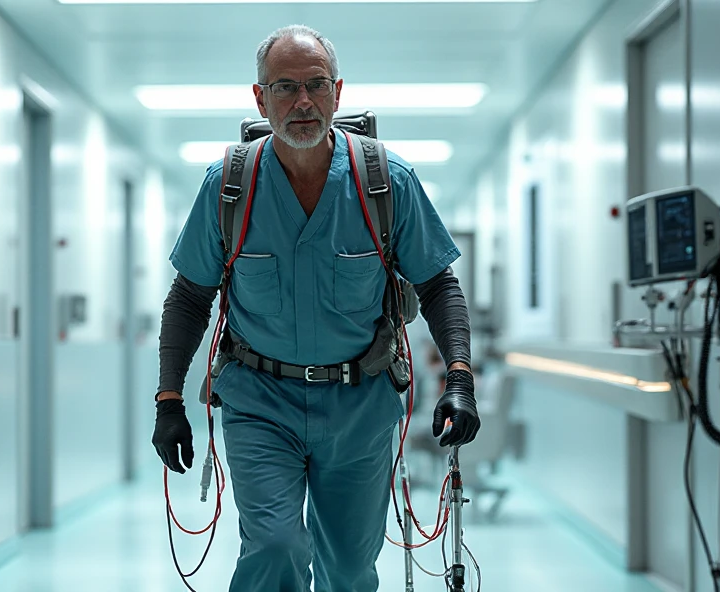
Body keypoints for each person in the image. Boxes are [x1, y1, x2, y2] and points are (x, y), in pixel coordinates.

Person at [151, 24, 481, 592]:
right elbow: (188, 298)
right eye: (284, 88)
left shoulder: (385, 182)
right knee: (275, 548)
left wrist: (459, 377)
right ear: (260, 98)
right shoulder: (229, 185)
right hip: (260, 402)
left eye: (315, 85)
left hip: (361, 405)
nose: (302, 102)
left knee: (350, 570)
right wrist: (169, 398)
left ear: (337, 92)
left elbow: (437, 286)